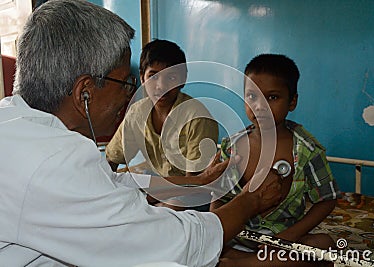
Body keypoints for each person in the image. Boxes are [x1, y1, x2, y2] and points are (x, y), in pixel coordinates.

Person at [0, 1, 282, 266]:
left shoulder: (14, 123)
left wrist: (199, 180)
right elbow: (178, 244)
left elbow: (115, 182)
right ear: (84, 92)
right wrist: (251, 201)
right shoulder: (56, 160)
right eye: (125, 82)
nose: (128, 93)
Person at [211, 54, 341, 266]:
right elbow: (218, 197)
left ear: (292, 101)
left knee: (325, 245)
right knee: (202, 240)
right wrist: (215, 235)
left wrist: (287, 237)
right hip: (238, 236)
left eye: (272, 97)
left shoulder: (307, 150)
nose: (259, 106)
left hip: (283, 240)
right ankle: (252, 262)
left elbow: (327, 200)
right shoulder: (232, 147)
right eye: (252, 96)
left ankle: (241, 263)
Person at [106, 39, 218, 210]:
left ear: (183, 79)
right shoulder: (137, 113)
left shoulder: (197, 118)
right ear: (142, 77)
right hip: (160, 187)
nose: (161, 86)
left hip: (194, 194)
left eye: (171, 77)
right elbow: (111, 161)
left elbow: (194, 183)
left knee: (167, 210)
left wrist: (151, 201)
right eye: (153, 76)